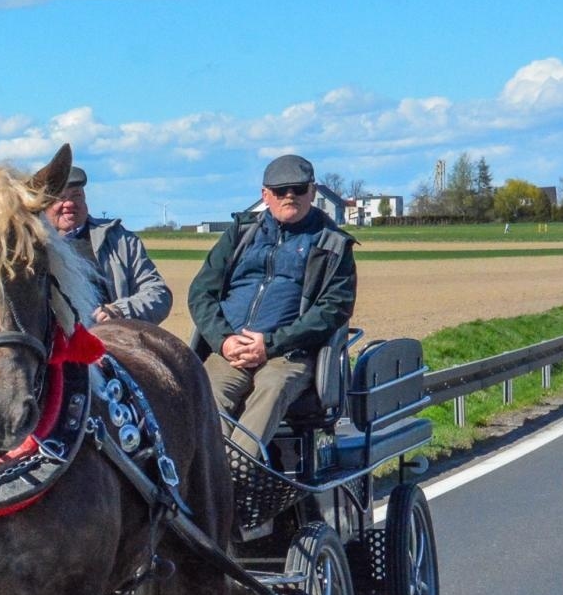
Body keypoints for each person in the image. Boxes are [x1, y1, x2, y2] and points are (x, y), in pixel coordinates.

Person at [189, 153, 356, 456]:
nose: (289, 196)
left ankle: (237, 473)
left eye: (298, 189)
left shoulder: (332, 243)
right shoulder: (241, 233)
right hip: (232, 349)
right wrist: (223, 341)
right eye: (280, 191)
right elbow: (201, 292)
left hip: (289, 354)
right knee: (207, 390)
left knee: (272, 389)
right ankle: (215, 476)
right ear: (265, 195)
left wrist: (270, 344)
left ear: (313, 192)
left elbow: (334, 309)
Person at [46, 166, 172, 324]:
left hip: (108, 336)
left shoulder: (120, 241)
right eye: (61, 197)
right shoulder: (32, 247)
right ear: (45, 204)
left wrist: (120, 310)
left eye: (76, 195)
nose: (69, 204)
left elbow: (159, 294)